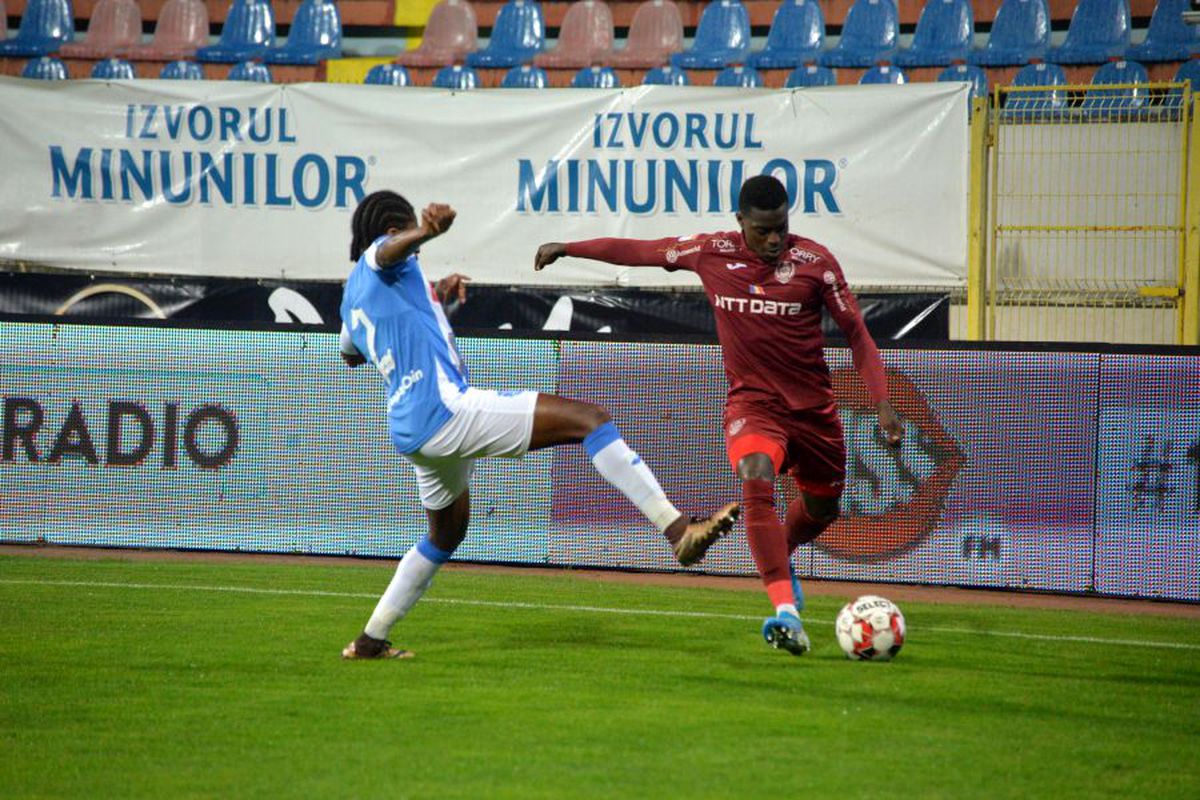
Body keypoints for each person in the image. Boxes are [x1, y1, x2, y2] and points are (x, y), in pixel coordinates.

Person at [338, 190, 740, 660]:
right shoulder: (383, 257)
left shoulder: (353, 295)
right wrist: (424, 231)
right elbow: (389, 252)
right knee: (590, 421)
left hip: (410, 431)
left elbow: (350, 354)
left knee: (445, 533)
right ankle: (678, 532)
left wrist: (429, 298)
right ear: (393, 231)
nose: (417, 249)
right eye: (410, 236)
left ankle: (370, 640)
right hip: (447, 411)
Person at [534, 174, 904, 656]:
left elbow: (857, 334)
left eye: (781, 228)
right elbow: (641, 250)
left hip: (814, 413)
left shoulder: (816, 263)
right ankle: (786, 614)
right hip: (754, 407)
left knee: (822, 509)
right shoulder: (710, 251)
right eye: (763, 230)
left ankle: (779, 558)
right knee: (755, 476)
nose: (774, 240)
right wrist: (569, 247)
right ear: (740, 222)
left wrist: (882, 401)